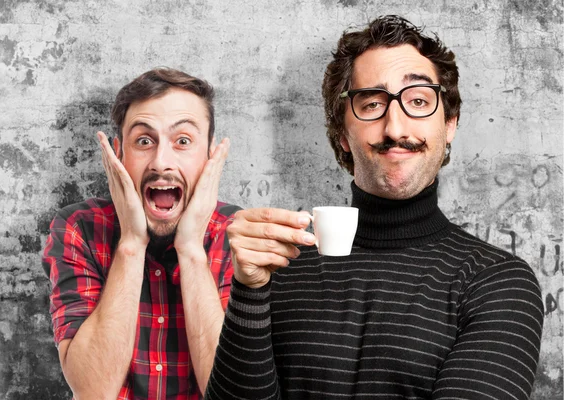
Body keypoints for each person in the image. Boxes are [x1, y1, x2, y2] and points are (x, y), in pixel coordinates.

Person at [205, 15, 544, 399]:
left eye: (418, 100)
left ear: (449, 123)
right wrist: (249, 290)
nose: (395, 128)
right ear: (342, 133)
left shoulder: (497, 283)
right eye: (372, 103)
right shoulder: (279, 271)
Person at [42, 67, 240, 399]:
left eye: (183, 141)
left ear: (210, 156)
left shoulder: (238, 234)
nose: (161, 162)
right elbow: (93, 391)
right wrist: (132, 243)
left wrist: (191, 248)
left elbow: (229, 393)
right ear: (118, 155)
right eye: (144, 141)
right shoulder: (79, 228)